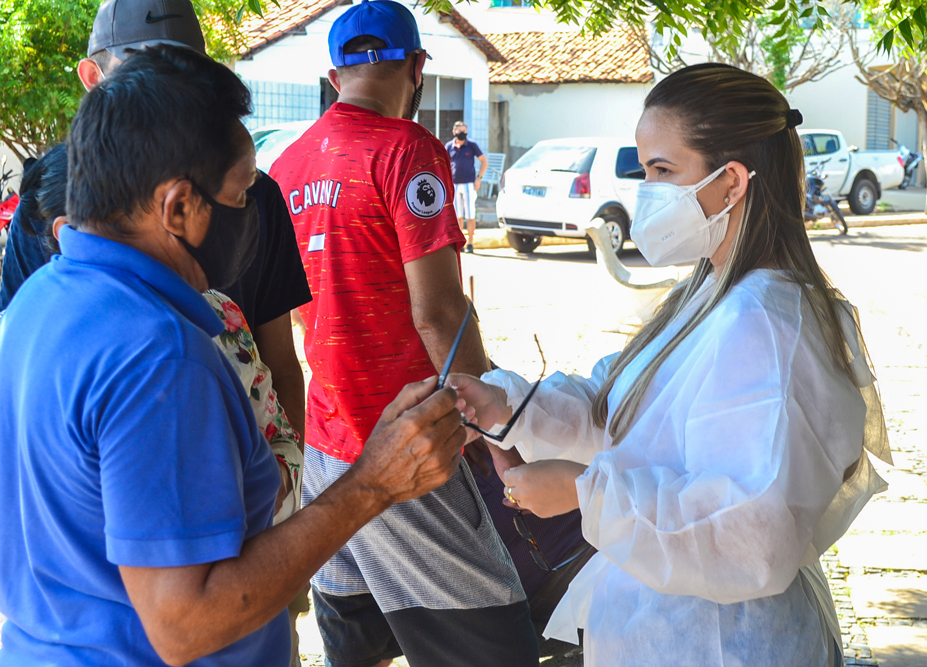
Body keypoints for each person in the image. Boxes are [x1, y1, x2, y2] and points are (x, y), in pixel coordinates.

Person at [0, 46, 472, 667]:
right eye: (243, 192)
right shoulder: (158, 359)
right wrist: (372, 484)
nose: (253, 213)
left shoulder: (36, 304)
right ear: (179, 208)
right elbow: (186, 625)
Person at [450, 63, 893, 667]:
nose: (646, 188)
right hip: (664, 628)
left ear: (730, 181)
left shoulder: (767, 321)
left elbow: (752, 531)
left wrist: (586, 493)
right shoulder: (708, 291)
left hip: (725, 644)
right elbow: (622, 404)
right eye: (644, 169)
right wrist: (508, 405)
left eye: (663, 170)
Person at [268, 2, 539, 665]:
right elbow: (439, 312)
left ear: (334, 77)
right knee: (492, 643)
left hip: (328, 450)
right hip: (409, 440)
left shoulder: (287, 165)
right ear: (417, 68)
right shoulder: (407, 149)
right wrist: (495, 430)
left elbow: (293, 313)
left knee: (358, 645)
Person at [0, 0, 312, 446]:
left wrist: (286, 467)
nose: (174, 96)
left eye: (189, 76)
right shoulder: (44, 203)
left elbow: (281, 364)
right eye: (144, 77)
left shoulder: (252, 196)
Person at [445, 120, 487, 252]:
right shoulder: (449, 146)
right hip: (454, 185)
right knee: (458, 215)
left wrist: (479, 179)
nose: (462, 133)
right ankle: (460, 243)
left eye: (464, 130)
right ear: (454, 132)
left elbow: (484, 161)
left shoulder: (472, 145)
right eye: (460, 131)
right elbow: (444, 163)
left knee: (470, 214)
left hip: (469, 184)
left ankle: (470, 243)